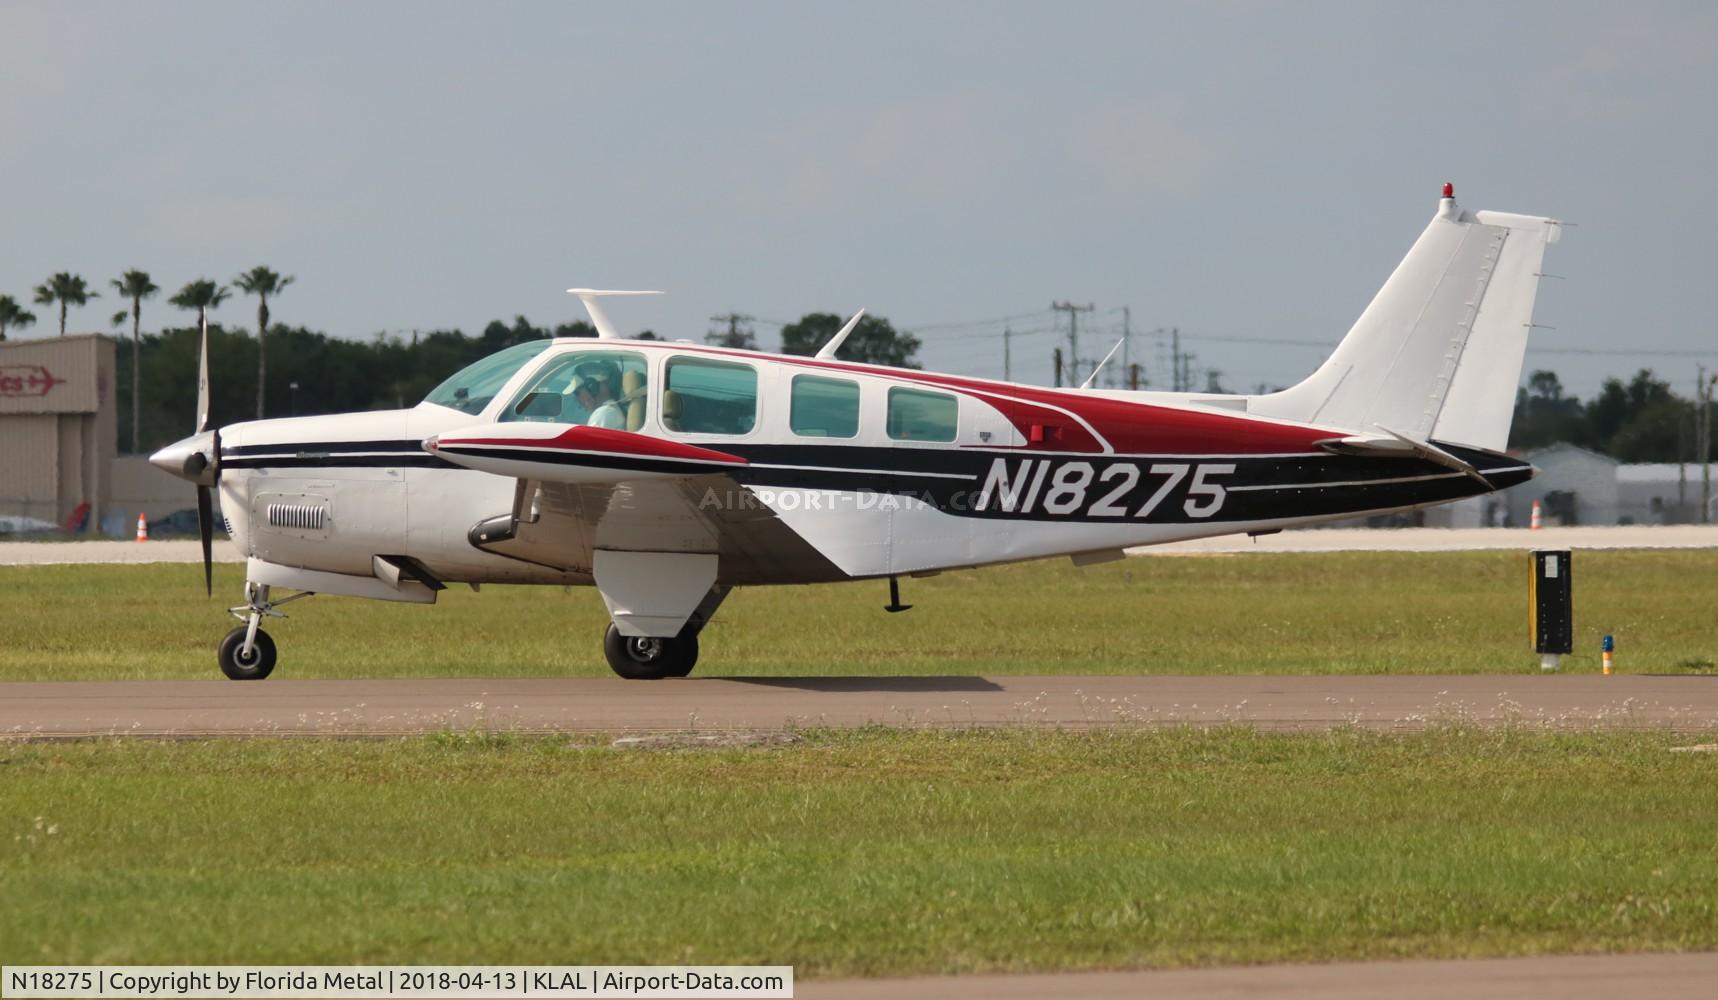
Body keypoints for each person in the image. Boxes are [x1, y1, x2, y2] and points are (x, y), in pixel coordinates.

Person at [569, 359, 629, 429]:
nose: (577, 399)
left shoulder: (603, 414)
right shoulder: (609, 411)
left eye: (577, 392)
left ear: (592, 387)